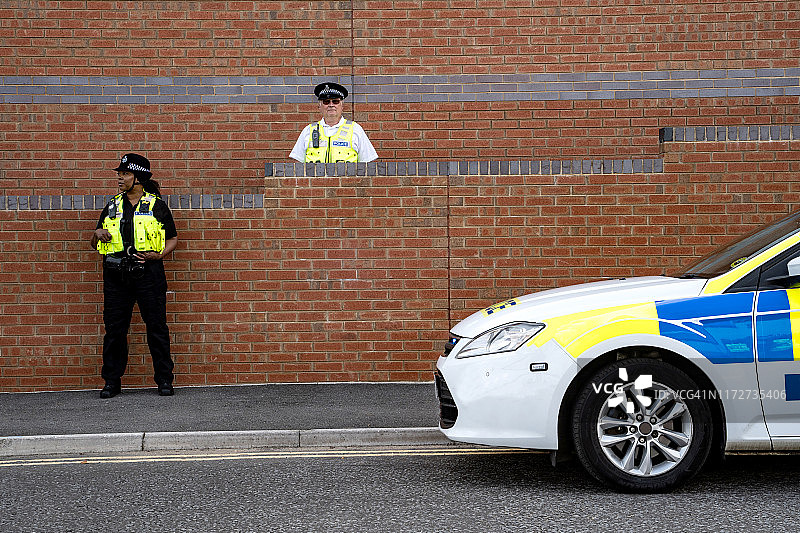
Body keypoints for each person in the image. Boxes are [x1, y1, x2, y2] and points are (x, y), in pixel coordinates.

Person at [90, 153, 179, 398]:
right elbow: (93, 242)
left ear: (138, 178)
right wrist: (97, 233)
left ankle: (164, 380)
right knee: (115, 330)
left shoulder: (156, 205)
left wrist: (159, 255)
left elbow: (173, 238)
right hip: (116, 277)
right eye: (119, 174)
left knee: (157, 328)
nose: (120, 178)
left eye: (125, 174)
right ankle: (111, 381)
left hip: (149, 275)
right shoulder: (112, 205)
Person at [289, 82, 378, 163]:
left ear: (342, 106)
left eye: (335, 101)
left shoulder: (355, 129)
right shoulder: (308, 130)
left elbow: (368, 162)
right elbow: (297, 163)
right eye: (326, 102)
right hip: (315, 181)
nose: (331, 105)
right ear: (319, 107)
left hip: (348, 181)